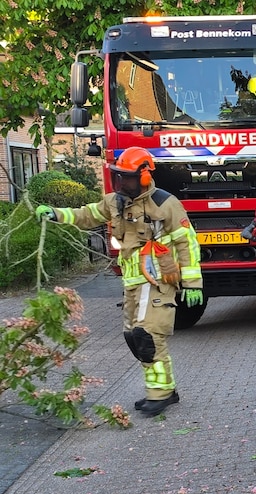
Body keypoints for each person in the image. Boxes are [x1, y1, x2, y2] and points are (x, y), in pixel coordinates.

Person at [37, 147, 203, 416]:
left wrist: (194, 283)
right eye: (119, 177)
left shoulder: (165, 203)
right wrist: (56, 214)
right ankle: (166, 390)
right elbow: (86, 214)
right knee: (133, 338)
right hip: (132, 282)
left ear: (145, 177)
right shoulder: (115, 201)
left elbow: (187, 243)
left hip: (159, 280)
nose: (121, 183)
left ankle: (160, 394)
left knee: (147, 334)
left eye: (127, 178)